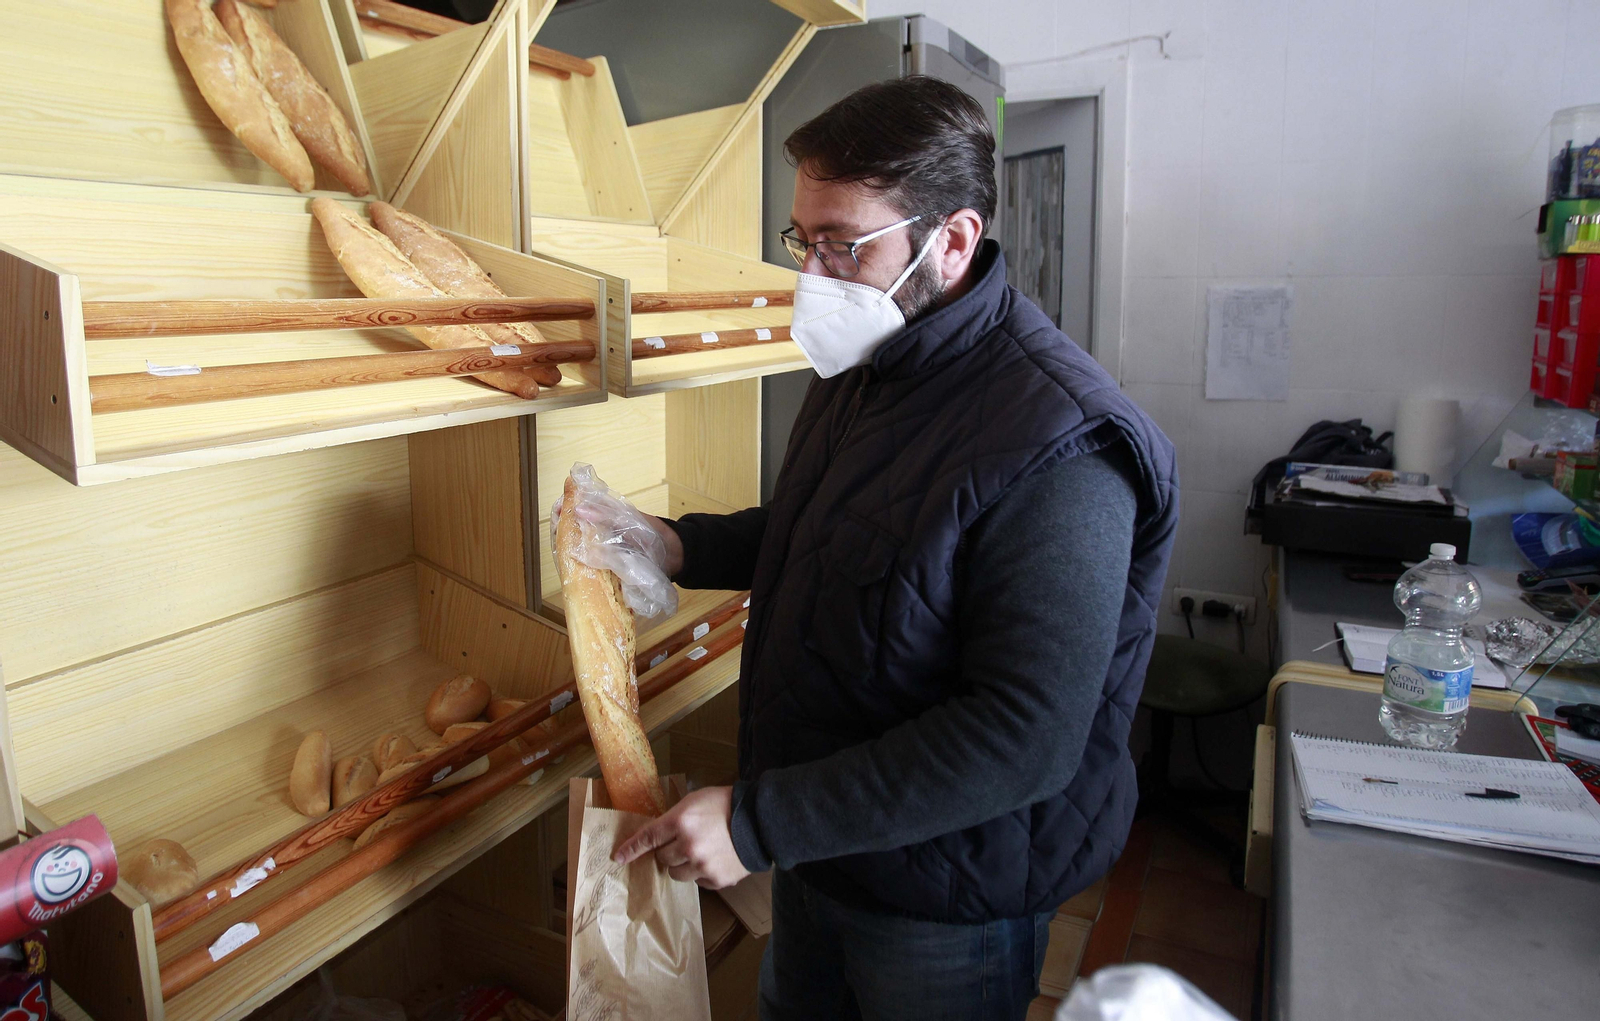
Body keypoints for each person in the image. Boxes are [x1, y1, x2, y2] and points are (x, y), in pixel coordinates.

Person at [612, 76, 1178, 1020]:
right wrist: (672, 544)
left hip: (943, 898)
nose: (815, 274)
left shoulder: (1062, 442)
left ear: (950, 241)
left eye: (844, 243)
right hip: (824, 847)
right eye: (805, 239)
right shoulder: (874, 359)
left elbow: (1024, 737)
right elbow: (825, 533)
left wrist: (758, 822)